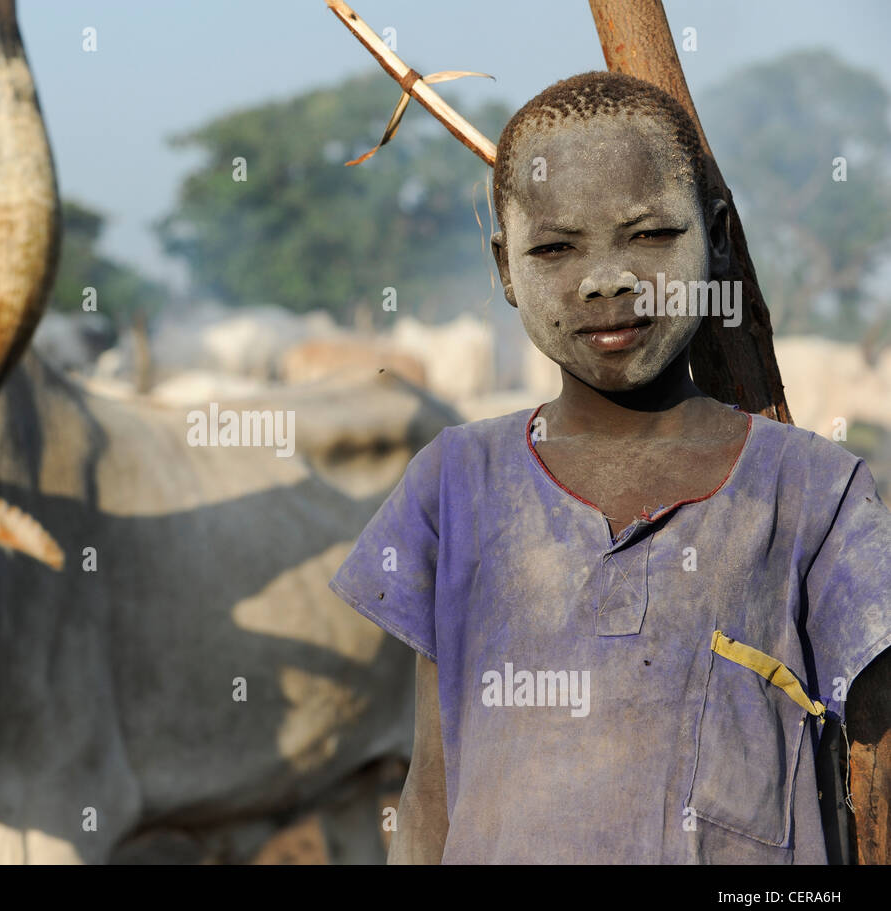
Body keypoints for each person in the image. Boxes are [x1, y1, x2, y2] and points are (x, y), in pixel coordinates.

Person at [329, 71, 891, 864]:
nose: (605, 278)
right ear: (504, 268)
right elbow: (432, 787)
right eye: (556, 247)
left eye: (652, 236)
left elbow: (875, 779)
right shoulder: (454, 483)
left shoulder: (815, 494)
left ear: (719, 238)